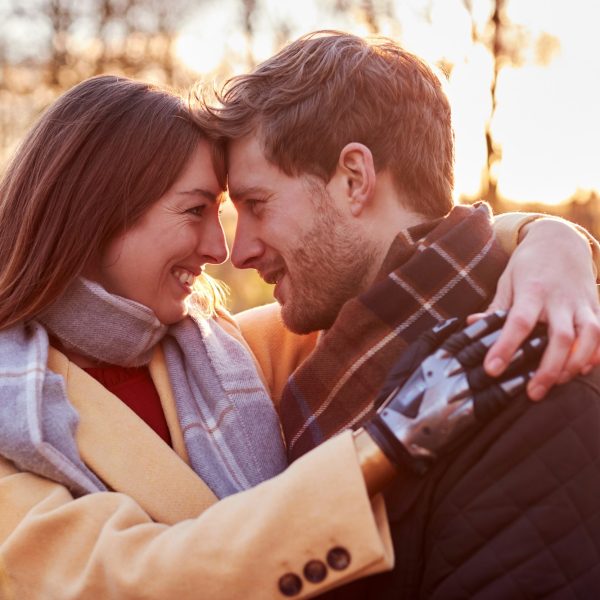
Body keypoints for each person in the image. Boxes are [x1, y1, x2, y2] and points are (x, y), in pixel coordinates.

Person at [0, 76, 594, 600]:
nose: (220, 248)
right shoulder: (13, 415)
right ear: (96, 211)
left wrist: (549, 239)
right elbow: (132, 579)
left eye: (236, 208)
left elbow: (408, 283)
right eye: (194, 211)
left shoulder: (220, 351)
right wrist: (381, 448)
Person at [199, 31, 600, 597]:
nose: (239, 252)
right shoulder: (316, 359)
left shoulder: (533, 387)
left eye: (256, 205)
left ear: (354, 179)